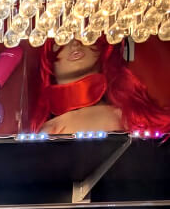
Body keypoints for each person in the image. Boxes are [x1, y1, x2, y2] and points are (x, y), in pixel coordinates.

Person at [30, 38, 170, 136]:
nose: (74, 44)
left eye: (86, 34)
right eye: (61, 39)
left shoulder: (129, 117)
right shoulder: (48, 130)